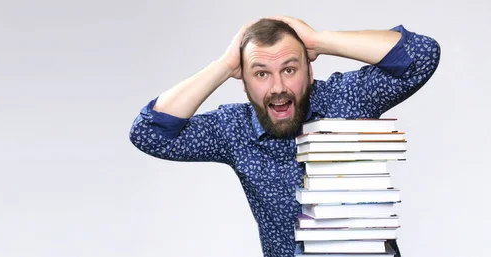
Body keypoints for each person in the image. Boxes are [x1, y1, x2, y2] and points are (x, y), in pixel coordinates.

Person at [128, 16, 440, 257]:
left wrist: (318, 40)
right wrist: (224, 66)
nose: (278, 87)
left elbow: (423, 55)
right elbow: (148, 133)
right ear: (245, 84)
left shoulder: (348, 98)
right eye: (261, 73)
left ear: (309, 70)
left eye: (289, 69)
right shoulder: (232, 129)